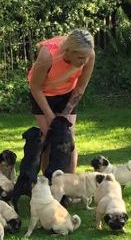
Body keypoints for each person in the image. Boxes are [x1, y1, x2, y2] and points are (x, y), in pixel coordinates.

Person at [28, 28, 96, 173]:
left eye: (86, 57)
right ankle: (47, 185)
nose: (84, 62)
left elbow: (80, 88)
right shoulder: (47, 55)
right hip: (43, 94)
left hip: (68, 93)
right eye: (80, 58)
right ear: (69, 51)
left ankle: (70, 184)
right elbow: (35, 88)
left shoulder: (89, 55)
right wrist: (51, 117)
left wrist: (65, 114)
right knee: (50, 137)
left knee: (68, 137)